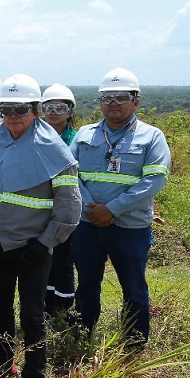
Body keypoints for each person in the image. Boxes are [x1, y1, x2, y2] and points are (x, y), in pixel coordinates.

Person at [0, 73, 80, 378]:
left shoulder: (53, 150)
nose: (14, 116)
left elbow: (70, 207)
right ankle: (3, 362)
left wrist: (45, 241)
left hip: (33, 247)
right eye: (7, 109)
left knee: (32, 315)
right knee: (0, 307)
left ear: (35, 110)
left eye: (21, 109)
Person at [71, 68, 171, 348]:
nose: (113, 103)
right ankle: (82, 340)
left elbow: (154, 179)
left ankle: (134, 345)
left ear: (136, 101)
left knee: (134, 288)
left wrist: (112, 209)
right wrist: (92, 208)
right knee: (87, 285)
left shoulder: (151, 137)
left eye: (121, 98)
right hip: (87, 223)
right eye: (107, 98)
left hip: (130, 227)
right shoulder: (84, 134)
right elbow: (69, 174)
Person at [40, 83, 80, 319]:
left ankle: (62, 310)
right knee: (45, 261)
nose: (53, 112)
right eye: (49, 107)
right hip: (39, 211)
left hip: (65, 211)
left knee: (64, 261)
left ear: (70, 111)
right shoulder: (36, 136)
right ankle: (46, 307)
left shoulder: (76, 140)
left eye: (60, 107)